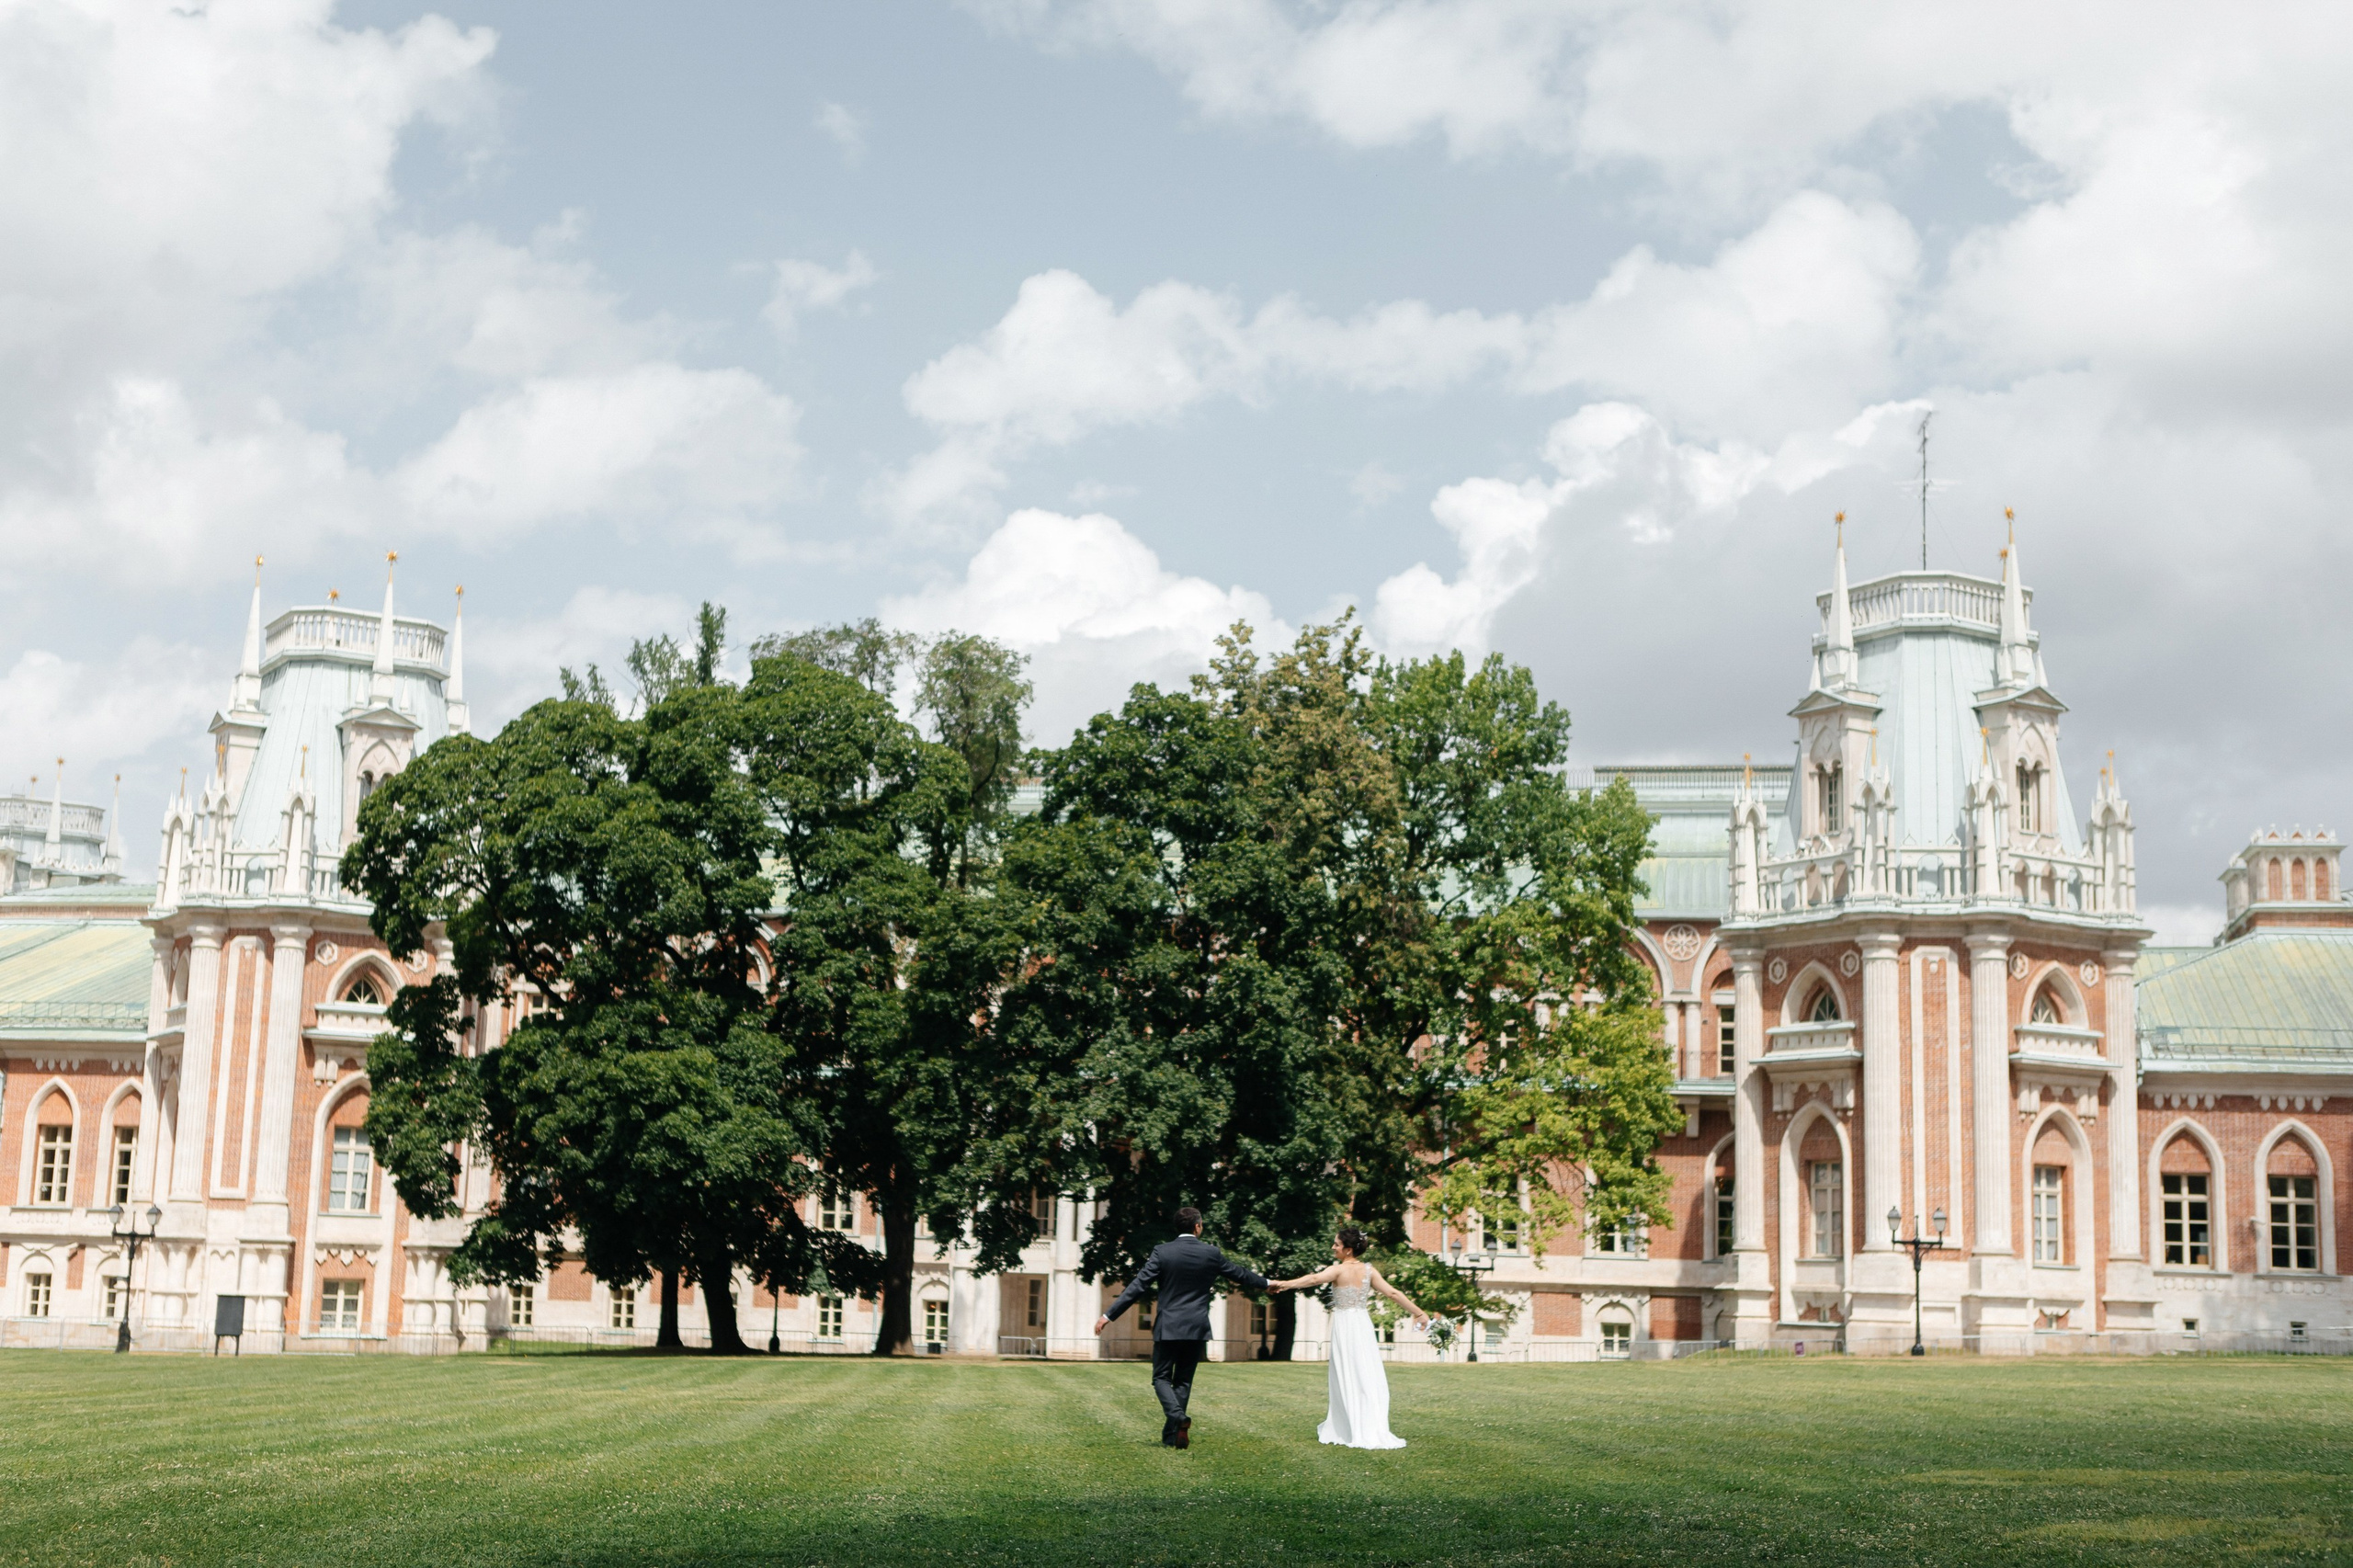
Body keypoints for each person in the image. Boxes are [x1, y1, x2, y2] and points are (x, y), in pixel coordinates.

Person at [1096, 1206, 1269, 1449]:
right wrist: (1267, 1283)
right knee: (1183, 1382)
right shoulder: (1211, 1253)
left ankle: (1178, 1418)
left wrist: (1108, 1315)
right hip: (1196, 1327)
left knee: (1161, 1378)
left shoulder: (1162, 1252)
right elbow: (1239, 1274)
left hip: (1169, 1326)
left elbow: (1138, 1285)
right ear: (1198, 1226)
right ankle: (1172, 1436)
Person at [1269, 1225, 1427, 1449]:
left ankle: (1351, 1427)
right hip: (1361, 1324)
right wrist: (1419, 1313)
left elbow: (1313, 1279)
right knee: (1365, 1373)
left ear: (1348, 1250)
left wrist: (1283, 1285)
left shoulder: (1338, 1270)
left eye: (1337, 1244)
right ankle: (1365, 1423)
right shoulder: (1370, 1271)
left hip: (1345, 1325)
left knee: (1347, 1373)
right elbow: (1393, 1293)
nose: (1333, 1247)